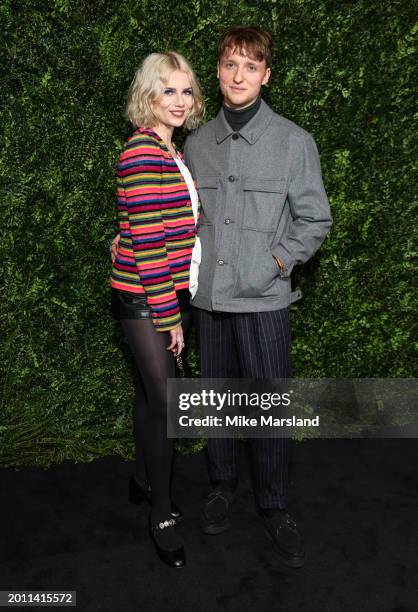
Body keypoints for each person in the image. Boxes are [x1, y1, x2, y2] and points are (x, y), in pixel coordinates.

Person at [183, 26, 332, 568]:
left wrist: (275, 261)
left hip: (264, 300)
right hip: (209, 303)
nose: (238, 75)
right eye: (229, 65)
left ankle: (273, 505)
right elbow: (183, 218)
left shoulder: (294, 142)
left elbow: (315, 219)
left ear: (266, 75)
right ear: (218, 73)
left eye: (250, 66)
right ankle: (221, 485)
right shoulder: (197, 144)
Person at [110, 51, 204, 568]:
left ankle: (143, 480)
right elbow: (148, 246)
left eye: (186, 90)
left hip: (168, 291)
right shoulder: (143, 152)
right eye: (168, 90)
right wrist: (169, 319)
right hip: (147, 298)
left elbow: (164, 225)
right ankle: (160, 513)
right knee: (167, 401)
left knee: (153, 395)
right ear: (149, 94)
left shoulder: (172, 151)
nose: (179, 100)